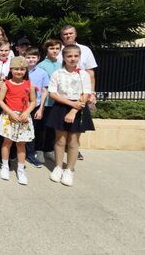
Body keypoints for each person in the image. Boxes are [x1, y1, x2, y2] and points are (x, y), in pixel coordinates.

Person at [46, 44, 95, 186]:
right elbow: (53, 93)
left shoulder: (83, 74)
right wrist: (70, 104)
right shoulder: (57, 74)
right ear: (64, 57)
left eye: (75, 56)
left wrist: (74, 110)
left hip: (78, 107)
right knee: (60, 140)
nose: (73, 59)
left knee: (73, 141)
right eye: (69, 56)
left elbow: (86, 93)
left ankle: (69, 169)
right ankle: (58, 167)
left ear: (79, 57)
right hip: (61, 107)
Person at [58, 25, 98, 161]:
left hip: (81, 94)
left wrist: (92, 93)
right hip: (62, 96)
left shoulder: (85, 50)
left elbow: (91, 72)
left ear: (75, 35)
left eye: (70, 33)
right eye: (65, 34)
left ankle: (74, 150)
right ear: (61, 36)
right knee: (60, 127)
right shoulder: (58, 50)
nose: (68, 36)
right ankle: (60, 151)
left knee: (76, 127)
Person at [0, 56, 36, 185]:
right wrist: (10, 112)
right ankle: (5, 166)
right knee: (7, 142)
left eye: (22, 69)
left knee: (21, 144)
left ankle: (20, 170)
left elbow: (33, 101)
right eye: (16, 69)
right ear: (11, 70)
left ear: (26, 70)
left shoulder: (29, 84)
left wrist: (27, 112)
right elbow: (0, 100)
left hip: (23, 117)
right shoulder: (6, 83)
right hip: (9, 116)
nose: (19, 72)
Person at [37, 39, 63, 162]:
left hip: (58, 102)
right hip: (45, 102)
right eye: (52, 48)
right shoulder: (41, 65)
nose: (55, 51)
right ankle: (39, 150)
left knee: (53, 127)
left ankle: (48, 149)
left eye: (57, 48)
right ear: (46, 50)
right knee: (42, 127)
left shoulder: (61, 65)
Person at [24, 47, 49, 168]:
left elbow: (44, 91)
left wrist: (41, 109)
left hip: (35, 105)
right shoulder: (20, 71)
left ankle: (30, 154)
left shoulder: (42, 73)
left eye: (33, 57)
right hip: (20, 105)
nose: (30, 60)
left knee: (31, 131)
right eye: (28, 57)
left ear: (38, 58)